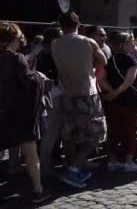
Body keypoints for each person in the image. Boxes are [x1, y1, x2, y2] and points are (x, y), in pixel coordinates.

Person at [52, 12, 107, 189]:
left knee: (69, 134)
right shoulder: (87, 41)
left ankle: (72, 165)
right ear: (78, 24)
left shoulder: (55, 43)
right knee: (96, 134)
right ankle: (73, 168)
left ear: (61, 26)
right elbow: (103, 59)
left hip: (66, 92)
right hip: (86, 93)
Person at [0, 22, 52, 203]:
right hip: (18, 113)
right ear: (14, 38)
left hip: (3, 111)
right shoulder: (16, 59)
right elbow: (30, 83)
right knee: (30, 153)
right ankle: (38, 191)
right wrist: (40, 77)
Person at [100, 32, 137, 172]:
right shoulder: (131, 60)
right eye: (131, 40)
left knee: (113, 131)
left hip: (113, 102)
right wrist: (117, 91)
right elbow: (129, 81)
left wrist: (112, 92)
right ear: (123, 44)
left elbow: (101, 80)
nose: (134, 43)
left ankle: (112, 160)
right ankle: (128, 161)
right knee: (130, 131)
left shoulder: (109, 60)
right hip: (130, 100)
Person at [37, 27, 63, 178]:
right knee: (51, 131)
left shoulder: (48, 51)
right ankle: (45, 165)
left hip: (51, 93)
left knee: (52, 131)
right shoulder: (48, 53)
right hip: (51, 94)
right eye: (59, 36)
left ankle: (48, 161)